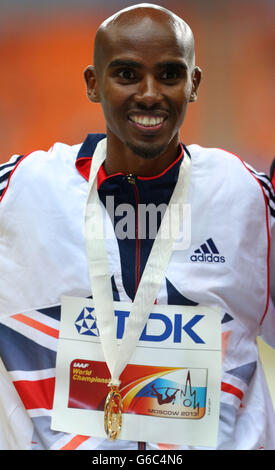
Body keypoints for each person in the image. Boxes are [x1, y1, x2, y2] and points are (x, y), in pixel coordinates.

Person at [0, 3, 274, 451]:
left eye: (169, 75)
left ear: (194, 84)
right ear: (93, 83)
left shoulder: (245, 197)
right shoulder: (22, 191)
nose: (149, 94)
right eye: (126, 74)